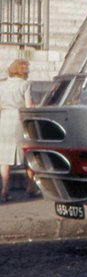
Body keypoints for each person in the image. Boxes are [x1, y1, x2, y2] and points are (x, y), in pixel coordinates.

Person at [0, 59, 37, 201]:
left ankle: (4, 189)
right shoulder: (25, 84)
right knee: (27, 152)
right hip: (19, 119)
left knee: (4, 157)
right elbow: (28, 106)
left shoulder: (2, 85)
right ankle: (30, 186)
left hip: (4, 119)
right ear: (24, 71)